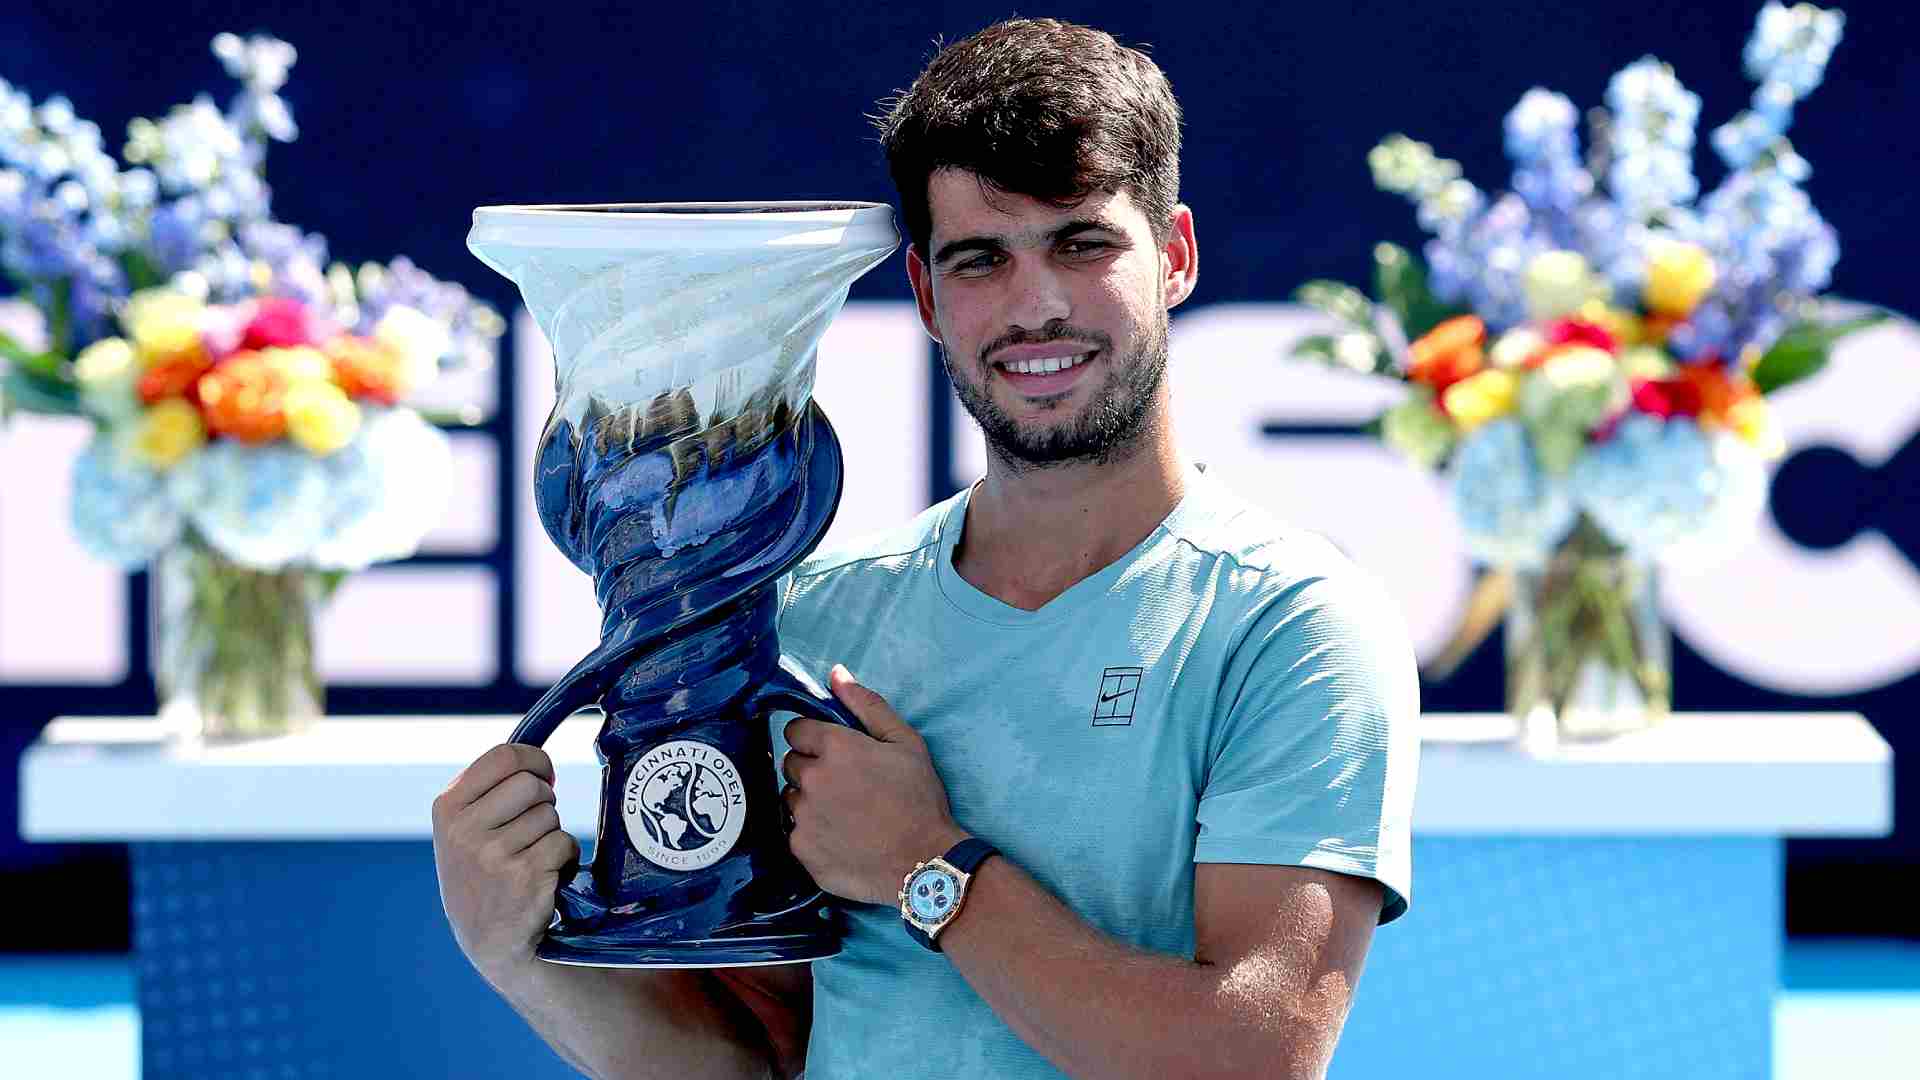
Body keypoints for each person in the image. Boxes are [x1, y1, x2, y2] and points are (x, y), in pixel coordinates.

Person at [432, 17, 1419, 1079]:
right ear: (925, 296)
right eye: (981, 259)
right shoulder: (813, 617)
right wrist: (520, 955)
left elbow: (1252, 1061)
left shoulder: (1297, 625)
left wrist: (927, 866)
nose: (1036, 306)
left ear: (1174, 255)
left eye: (1082, 243)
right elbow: (758, 1061)